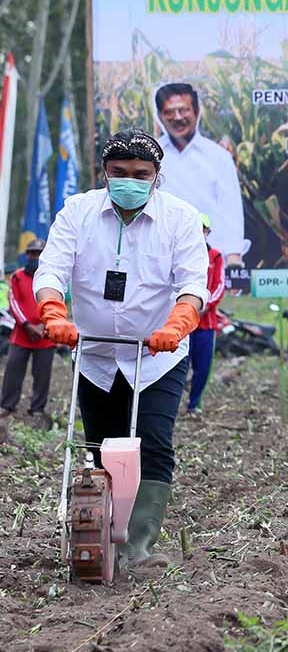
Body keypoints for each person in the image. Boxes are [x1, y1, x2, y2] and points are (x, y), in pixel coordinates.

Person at [34, 129, 209, 572]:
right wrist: (54, 312)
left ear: (156, 176)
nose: (129, 181)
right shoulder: (78, 212)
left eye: (140, 174)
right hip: (93, 354)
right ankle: (98, 529)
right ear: (104, 172)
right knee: (98, 446)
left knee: (152, 441)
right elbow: (51, 268)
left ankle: (139, 544)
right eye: (119, 173)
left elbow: (192, 284)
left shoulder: (181, 218)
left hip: (156, 356)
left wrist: (176, 324)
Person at [154, 83, 246, 264]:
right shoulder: (151, 155)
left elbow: (231, 210)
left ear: (196, 111)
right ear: (159, 116)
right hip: (160, 257)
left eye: (183, 110)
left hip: (210, 258)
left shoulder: (219, 156)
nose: (177, 117)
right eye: (169, 112)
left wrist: (233, 259)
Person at [0, 238, 56, 428]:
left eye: (39, 254)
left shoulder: (51, 279)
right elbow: (13, 302)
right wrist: (27, 325)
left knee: (42, 375)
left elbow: (57, 302)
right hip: (22, 335)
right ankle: (7, 405)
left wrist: (44, 325)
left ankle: (37, 409)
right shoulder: (17, 277)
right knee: (13, 370)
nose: (35, 257)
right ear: (27, 255)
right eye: (32, 253)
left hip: (45, 336)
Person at [185, 214, 224, 416]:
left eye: (204, 229)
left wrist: (204, 305)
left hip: (206, 323)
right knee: (178, 367)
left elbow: (219, 286)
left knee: (203, 368)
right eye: (196, 229)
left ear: (208, 232)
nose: (200, 233)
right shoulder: (182, 252)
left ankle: (194, 404)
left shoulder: (215, 256)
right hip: (182, 324)